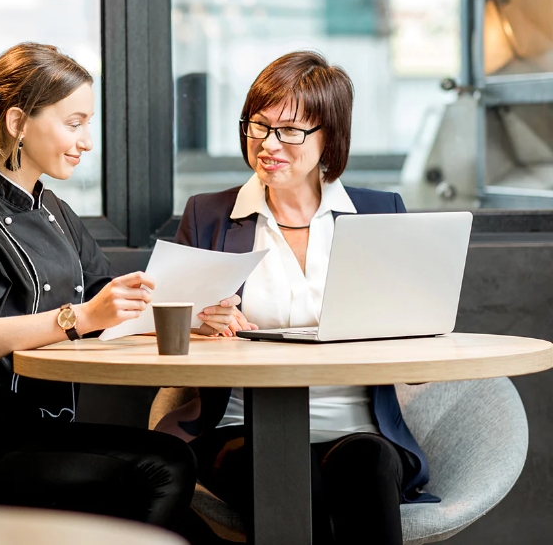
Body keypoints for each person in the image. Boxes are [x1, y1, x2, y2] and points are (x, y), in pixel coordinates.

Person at [0, 42, 202, 530]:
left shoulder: (55, 211)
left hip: (32, 428)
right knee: (163, 469)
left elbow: (115, 309)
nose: (86, 141)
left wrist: (200, 314)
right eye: (74, 123)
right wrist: (80, 317)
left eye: (87, 124)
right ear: (18, 123)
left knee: (178, 491)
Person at [156, 51, 438, 545]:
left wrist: (399, 329)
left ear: (330, 135)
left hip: (357, 429)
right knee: (284, 470)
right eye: (257, 126)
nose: (268, 144)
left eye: (290, 131)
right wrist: (202, 326)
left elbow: (415, 357)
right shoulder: (209, 216)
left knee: (366, 465)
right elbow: (165, 339)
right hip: (241, 428)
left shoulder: (378, 212)